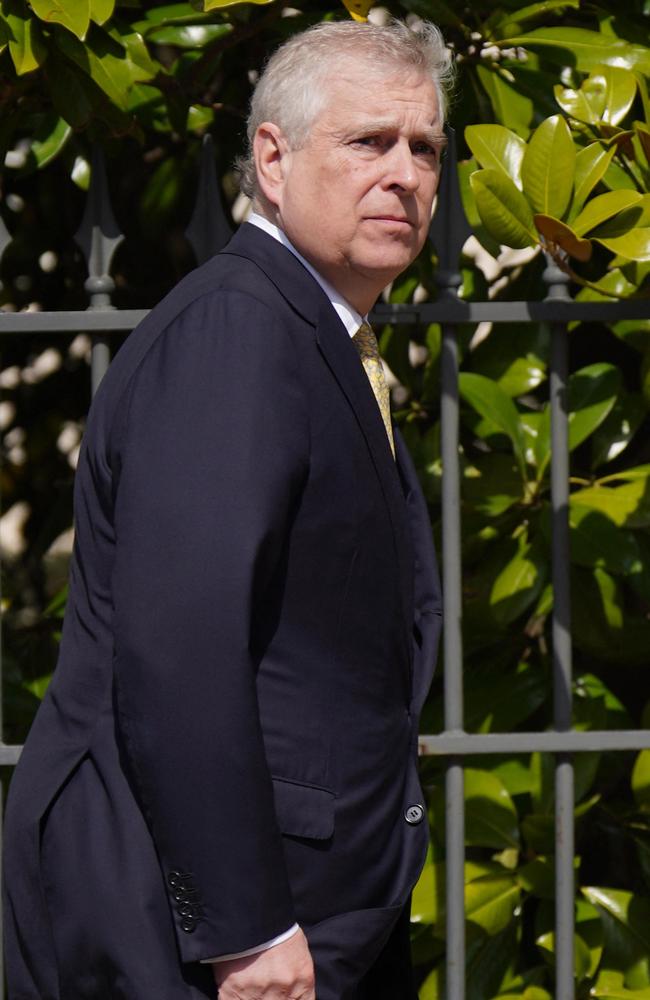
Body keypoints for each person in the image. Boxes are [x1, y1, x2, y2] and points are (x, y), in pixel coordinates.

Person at [3, 18, 449, 1000]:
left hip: (315, 919)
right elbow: (180, 647)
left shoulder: (315, 335)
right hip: (217, 943)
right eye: (368, 141)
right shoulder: (238, 333)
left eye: (424, 148)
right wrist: (245, 926)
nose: (405, 174)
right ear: (271, 159)